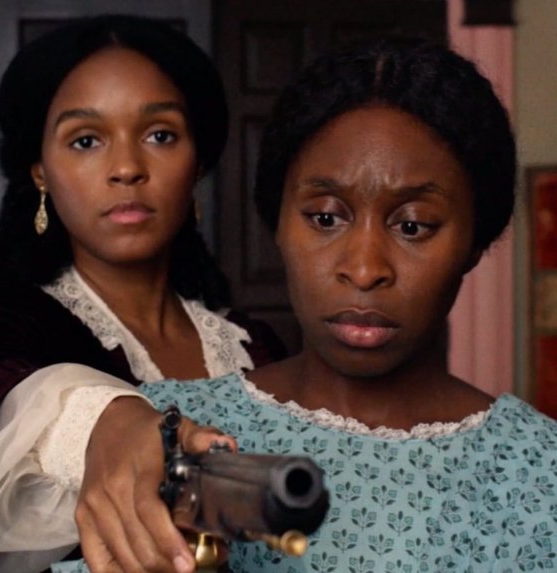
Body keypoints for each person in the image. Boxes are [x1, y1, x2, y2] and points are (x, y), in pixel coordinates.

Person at [40, 37, 556, 572]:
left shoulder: (542, 471)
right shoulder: (163, 435)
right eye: (326, 218)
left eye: (413, 226)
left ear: (475, 241)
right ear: (278, 222)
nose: (364, 269)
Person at [0, 15, 286, 573]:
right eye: (86, 140)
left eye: (160, 135)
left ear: (197, 162)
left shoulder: (256, 346)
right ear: (40, 172)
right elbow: (1, 424)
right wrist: (112, 425)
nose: (126, 168)